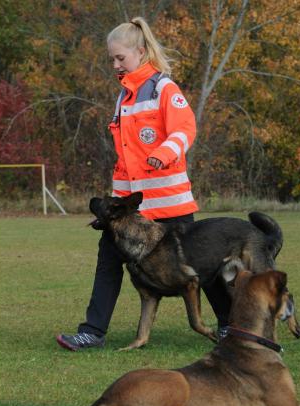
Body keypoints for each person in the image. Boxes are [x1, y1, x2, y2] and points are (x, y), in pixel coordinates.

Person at [56, 17, 200, 350]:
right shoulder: (124, 98)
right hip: (129, 209)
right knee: (108, 261)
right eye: (111, 59)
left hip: (170, 203)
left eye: (120, 58)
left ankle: (228, 328)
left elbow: (185, 130)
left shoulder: (165, 88)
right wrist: (110, 211)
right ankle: (92, 332)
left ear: (141, 51)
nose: (115, 64)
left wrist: (163, 153)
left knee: (198, 266)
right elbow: (125, 162)